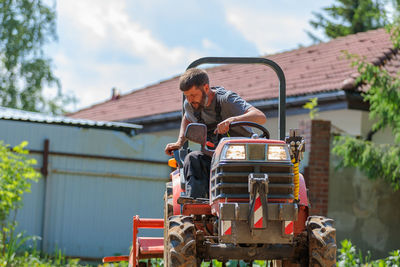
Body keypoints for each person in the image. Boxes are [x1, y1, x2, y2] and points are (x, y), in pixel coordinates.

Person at [164, 68, 266, 198]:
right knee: (193, 158)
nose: (189, 100)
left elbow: (260, 116)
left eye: (193, 95)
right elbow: (187, 118)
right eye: (186, 96)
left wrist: (232, 120)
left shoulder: (227, 100)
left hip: (241, 160)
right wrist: (179, 142)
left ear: (206, 88)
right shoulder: (190, 105)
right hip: (213, 161)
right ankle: (196, 207)